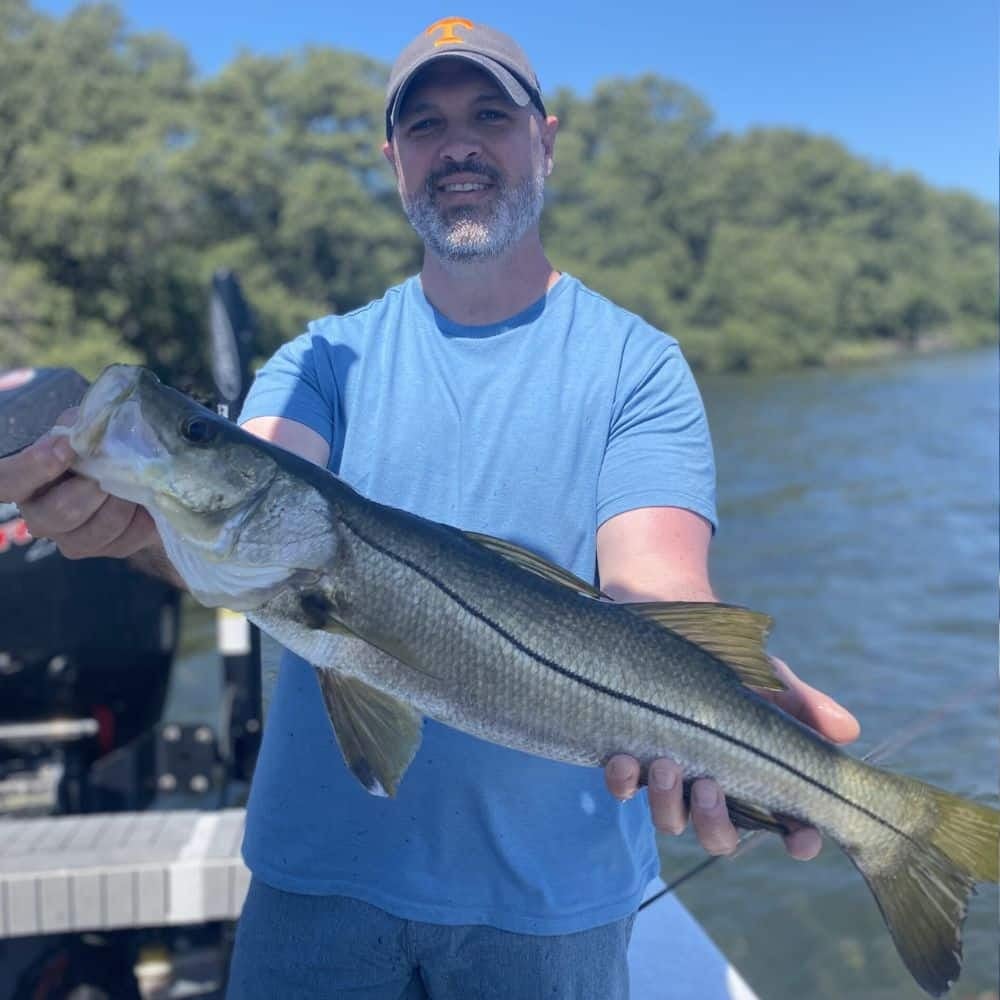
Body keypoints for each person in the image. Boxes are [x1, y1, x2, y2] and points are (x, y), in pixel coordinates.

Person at [0, 18, 860, 1000]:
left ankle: (887, 827)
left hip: (554, 902)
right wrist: (141, 519)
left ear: (545, 140)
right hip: (316, 883)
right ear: (394, 161)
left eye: (489, 115)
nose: (457, 143)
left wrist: (724, 696)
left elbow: (654, 578)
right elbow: (264, 486)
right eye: (426, 125)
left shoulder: (640, 365)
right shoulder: (319, 356)